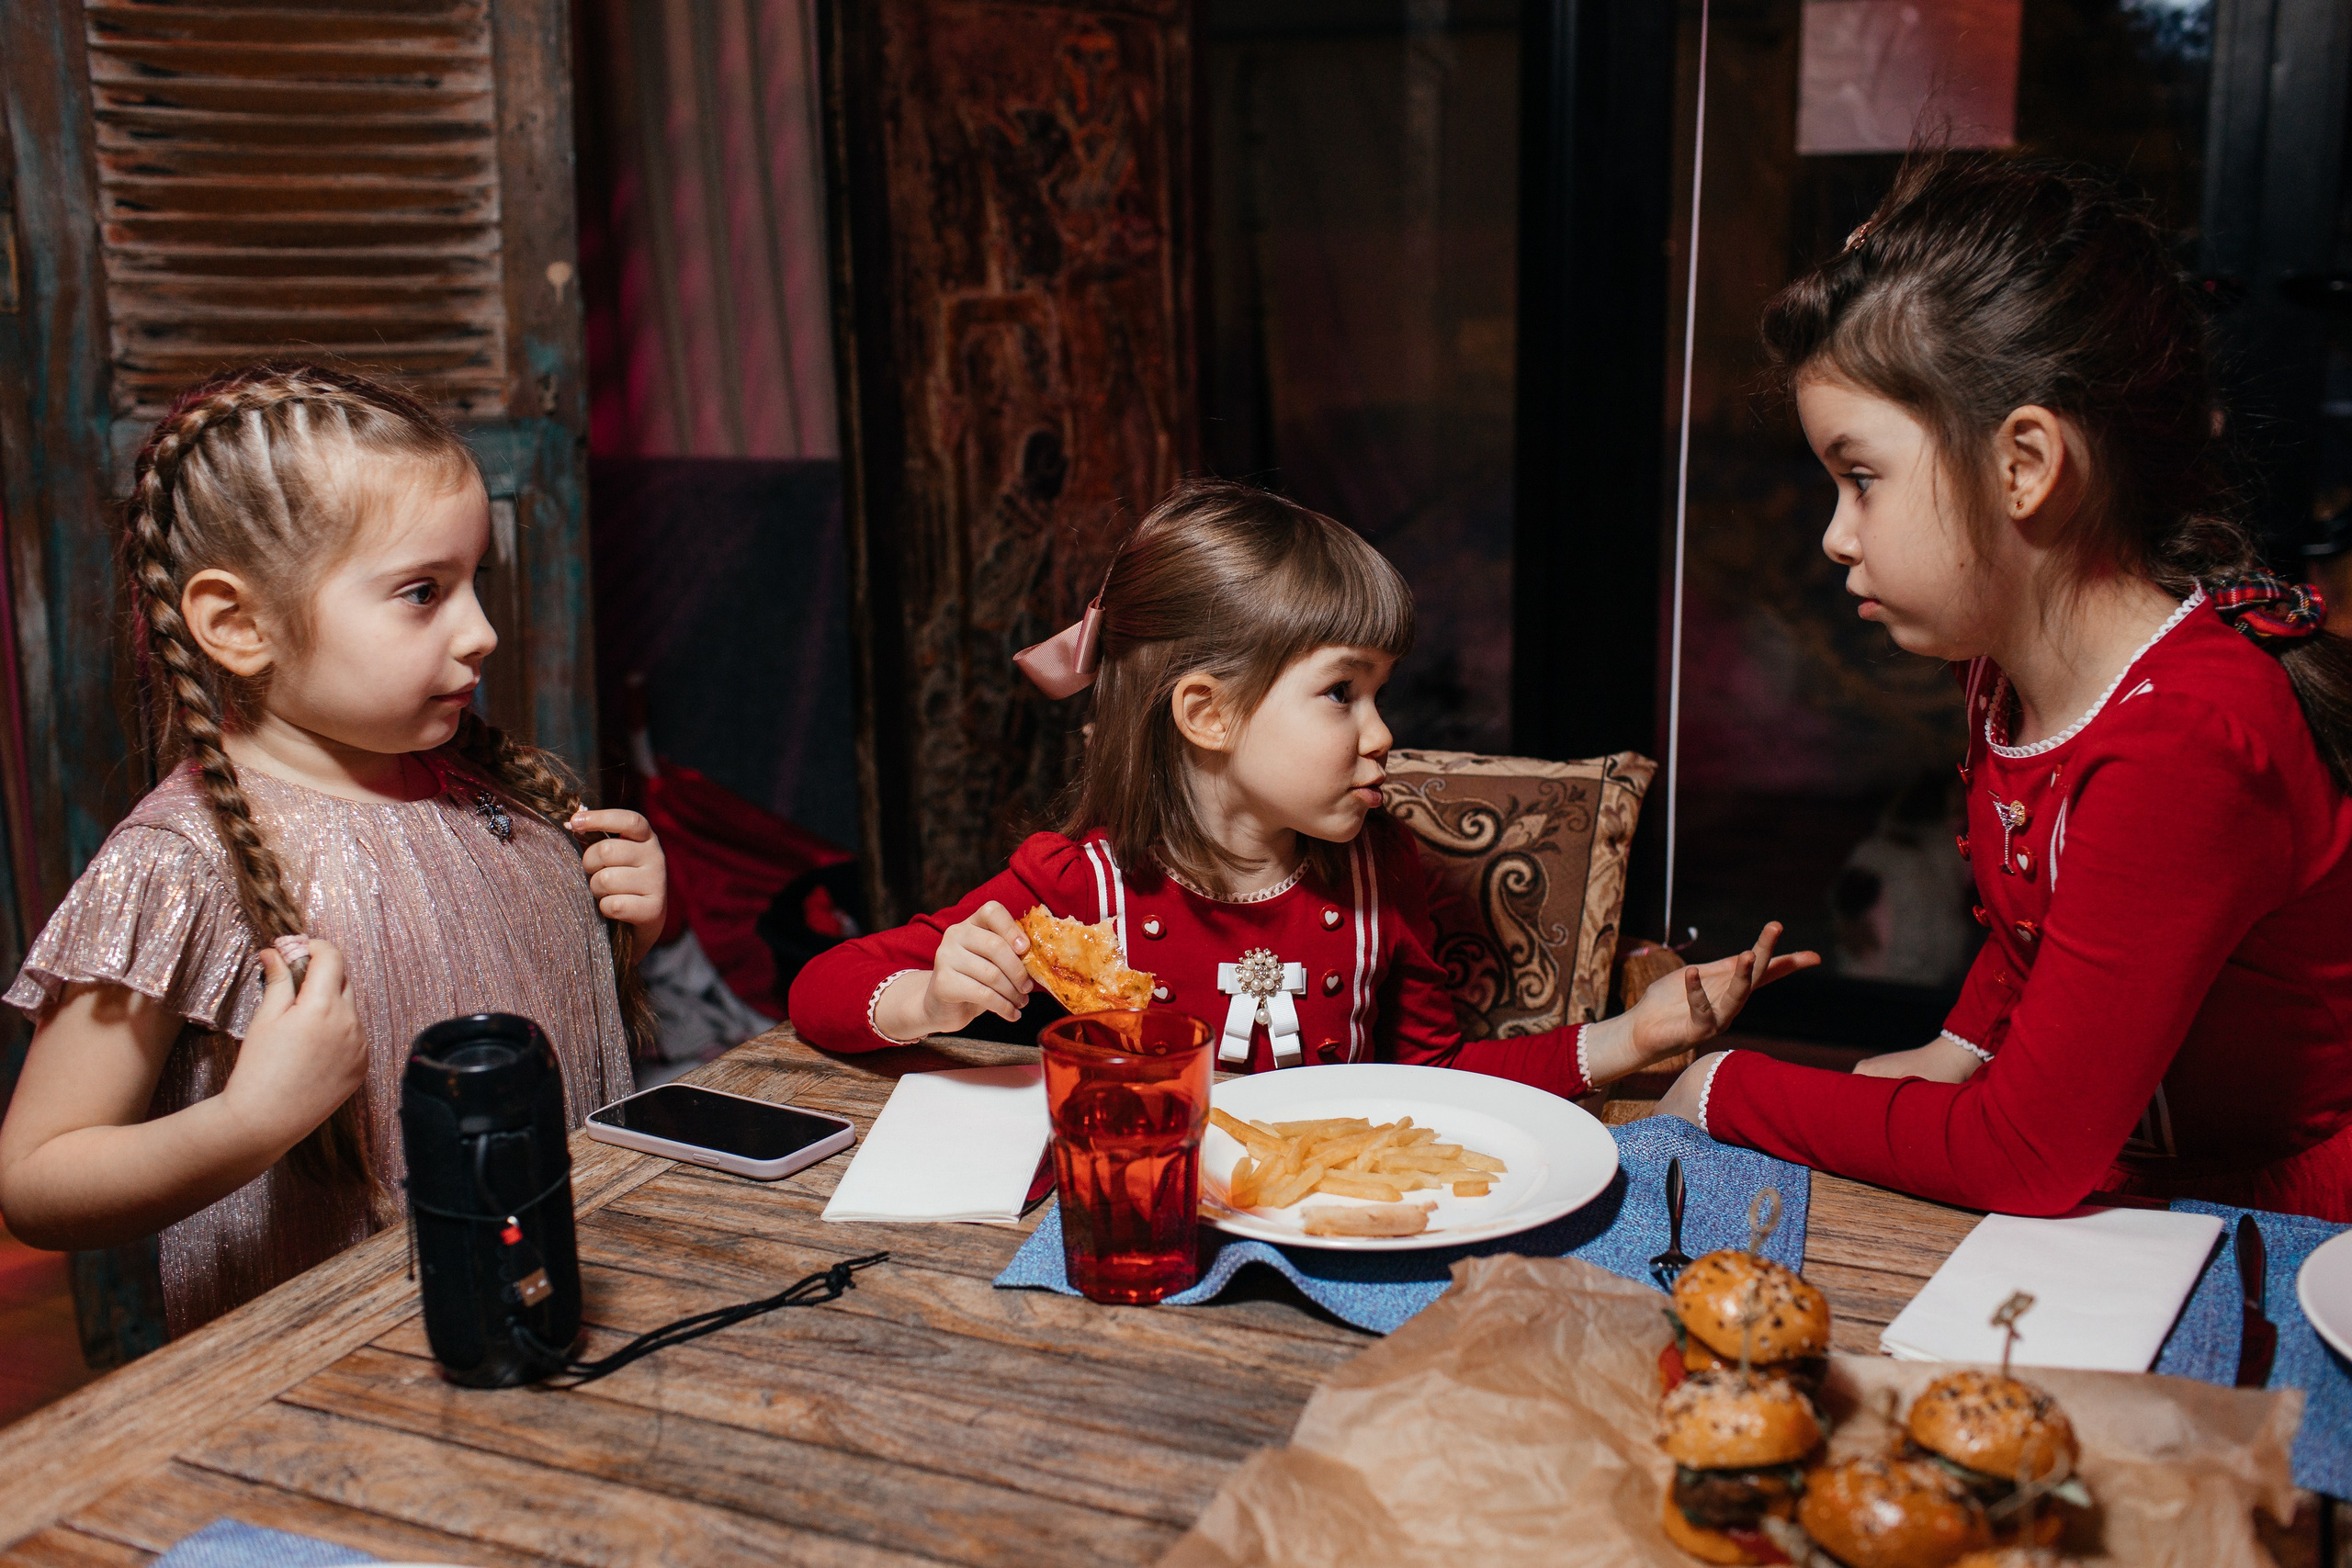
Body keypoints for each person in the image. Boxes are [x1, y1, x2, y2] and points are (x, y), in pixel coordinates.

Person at [1657, 156, 2352, 1222]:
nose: (1836, 537)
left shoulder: (2184, 742)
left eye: (1861, 478)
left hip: (2279, 1219)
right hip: (2134, 1176)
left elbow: (2024, 1157)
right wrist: (1960, 1045)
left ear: (2024, 464)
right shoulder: (2002, 673)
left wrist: (1727, 1088)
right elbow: (2046, 920)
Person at [0, 365, 666, 1332]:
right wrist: (247, 1122)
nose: (480, 632)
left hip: (540, 1317)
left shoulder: (497, 803)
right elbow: (36, 1179)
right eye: (422, 592)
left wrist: (624, 930)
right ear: (239, 625)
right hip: (325, 1363)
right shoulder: (178, 864)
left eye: (475, 582)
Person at [791, 479, 1814, 1093]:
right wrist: (929, 998)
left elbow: (1435, 1082)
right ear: (1207, 715)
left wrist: (1635, 1036)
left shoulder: (1378, 870)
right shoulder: (1077, 886)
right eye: (1341, 694)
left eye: (1380, 694)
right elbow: (817, 993)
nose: (1383, 735)